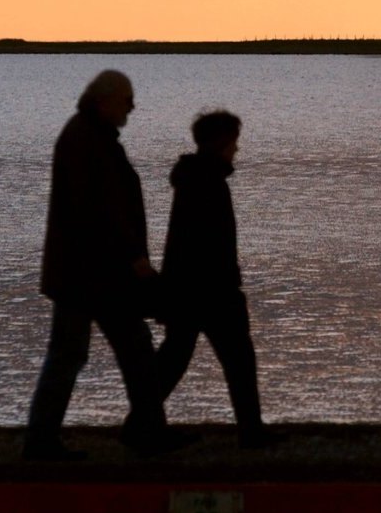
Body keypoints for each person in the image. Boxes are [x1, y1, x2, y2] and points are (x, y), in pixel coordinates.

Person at [24, 70, 192, 460]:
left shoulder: (87, 136)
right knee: (82, 354)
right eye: (127, 99)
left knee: (122, 349)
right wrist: (134, 257)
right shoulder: (87, 140)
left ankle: (142, 431)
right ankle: (45, 442)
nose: (132, 106)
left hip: (88, 274)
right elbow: (101, 210)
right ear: (105, 101)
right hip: (91, 276)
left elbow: (104, 208)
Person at [155, 111, 280, 448]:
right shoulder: (208, 182)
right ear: (222, 143)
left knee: (174, 358)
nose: (236, 149)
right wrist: (228, 287)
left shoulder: (194, 178)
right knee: (238, 359)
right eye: (233, 142)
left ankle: (140, 422)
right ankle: (251, 432)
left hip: (187, 289)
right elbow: (210, 243)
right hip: (210, 291)